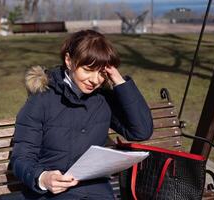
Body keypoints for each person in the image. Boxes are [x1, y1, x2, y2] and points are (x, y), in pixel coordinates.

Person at [10, 30, 153, 200]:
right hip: (52, 194)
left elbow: (141, 131)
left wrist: (119, 81)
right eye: (88, 70)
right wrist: (42, 178)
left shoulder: (103, 98)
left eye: (102, 72)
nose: (95, 80)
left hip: (97, 192)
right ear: (69, 61)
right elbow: (21, 157)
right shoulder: (42, 99)